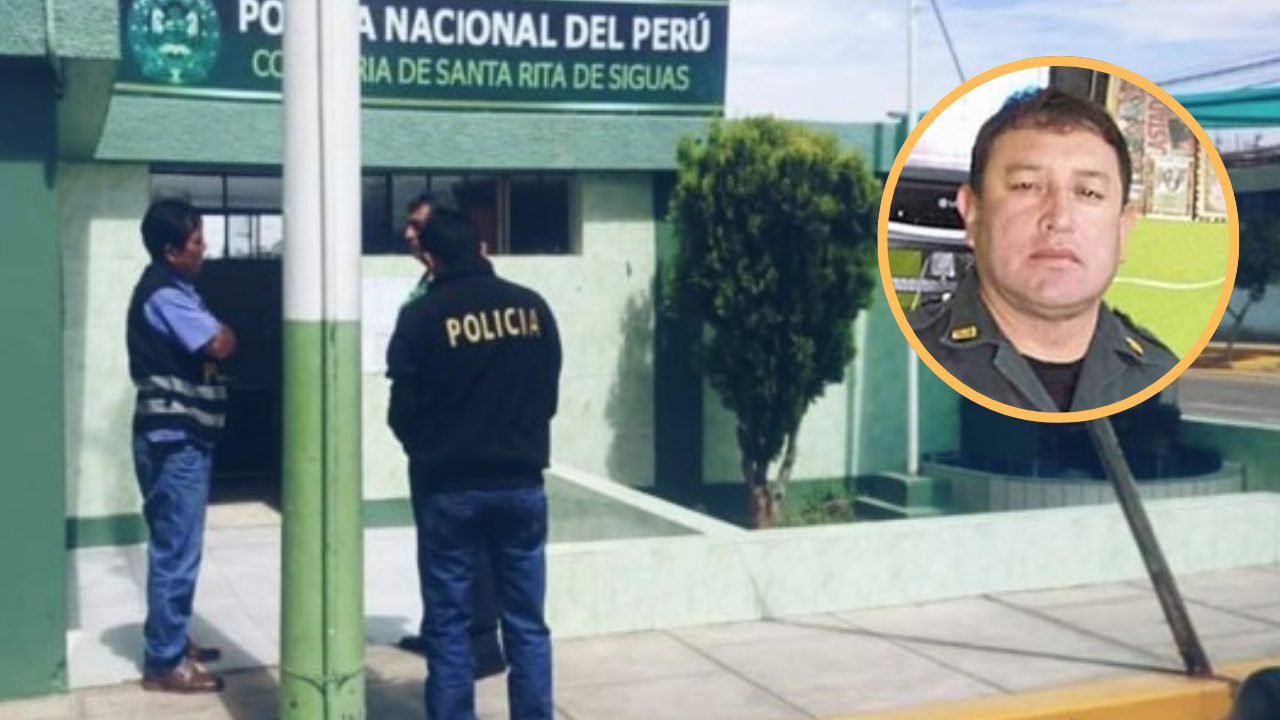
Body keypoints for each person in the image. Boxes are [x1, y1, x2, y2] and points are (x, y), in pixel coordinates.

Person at [387, 207, 561, 720]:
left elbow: (401, 411)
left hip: (449, 489)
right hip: (521, 485)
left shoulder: (421, 316)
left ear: (431, 256)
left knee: (449, 627)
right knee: (526, 624)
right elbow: (547, 394)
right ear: (481, 247)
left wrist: (430, 452)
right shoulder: (532, 307)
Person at [908, 87, 1179, 412]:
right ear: (972, 213)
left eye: (1088, 193)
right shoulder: (902, 361)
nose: (1059, 219)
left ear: (1122, 228)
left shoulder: (1160, 376)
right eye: (1026, 186)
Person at [395, 191, 508, 681]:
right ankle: (440, 627)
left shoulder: (472, 292)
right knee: (435, 546)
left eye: (418, 227)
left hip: (465, 451)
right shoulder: (426, 287)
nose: (410, 235)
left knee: (473, 548)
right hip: (434, 450)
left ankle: (480, 641)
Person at [126, 198, 236, 693]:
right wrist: (224, 332)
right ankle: (164, 662)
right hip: (175, 441)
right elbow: (218, 343)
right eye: (196, 241)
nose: (204, 248)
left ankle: (171, 637)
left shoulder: (179, 291)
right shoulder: (166, 297)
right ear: (171, 251)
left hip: (182, 437)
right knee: (177, 550)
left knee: (175, 545)